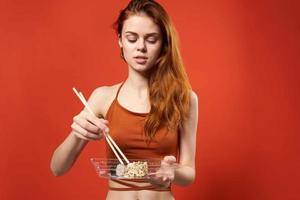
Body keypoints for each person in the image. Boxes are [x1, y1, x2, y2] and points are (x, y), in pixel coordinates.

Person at [50, 0, 198, 199]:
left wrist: (173, 172)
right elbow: (57, 168)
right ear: (120, 40)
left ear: (164, 44)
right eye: (132, 38)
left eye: (151, 39)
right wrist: (77, 134)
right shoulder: (103, 97)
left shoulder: (185, 99)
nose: (141, 47)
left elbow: (189, 172)